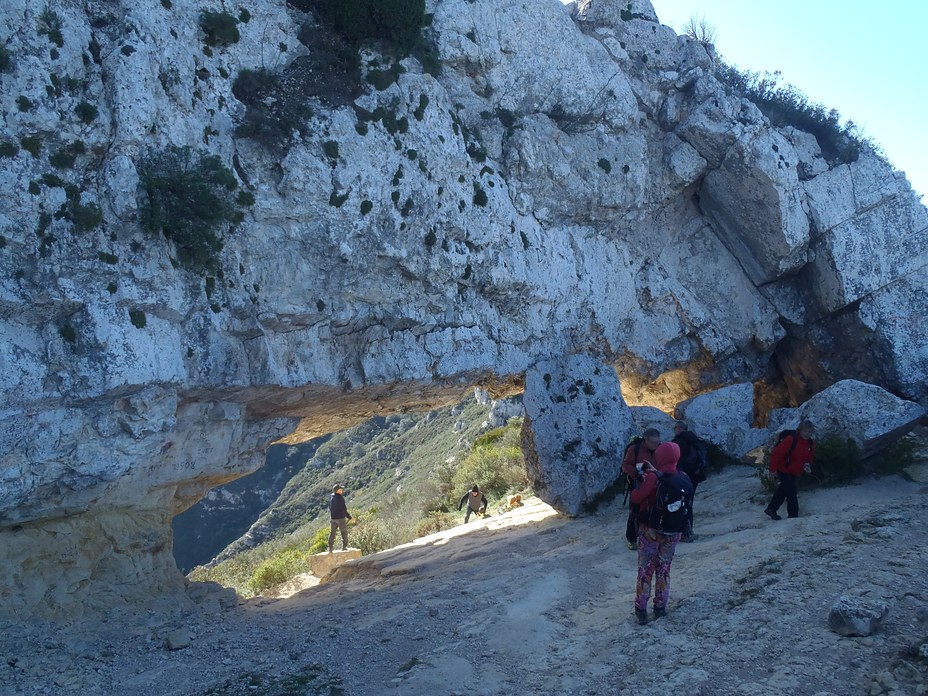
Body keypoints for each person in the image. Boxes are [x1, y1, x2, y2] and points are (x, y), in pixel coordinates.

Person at [630, 441, 684, 625]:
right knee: (664, 569)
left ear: (659, 457)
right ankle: (660, 606)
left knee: (645, 570)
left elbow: (636, 497)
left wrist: (643, 478)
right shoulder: (683, 477)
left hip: (651, 530)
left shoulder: (654, 478)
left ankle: (641, 610)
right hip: (673, 531)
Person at [765, 420, 816, 521]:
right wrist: (772, 470)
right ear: (800, 430)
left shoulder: (810, 443)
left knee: (783, 490)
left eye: (810, 432)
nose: (807, 434)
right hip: (783, 469)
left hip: (795, 471)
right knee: (791, 491)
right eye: (805, 431)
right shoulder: (791, 439)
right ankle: (793, 516)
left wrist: (807, 465)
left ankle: (771, 509)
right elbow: (776, 454)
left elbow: (809, 457)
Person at [620, 428, 661, 550]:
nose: (656, 445)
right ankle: (631, 538)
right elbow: (625, 465)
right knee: (635, 511)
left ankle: (652, 535)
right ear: (645, 440)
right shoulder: (635, 449)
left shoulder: (659, 448)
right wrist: (636, 473)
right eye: (653, 442)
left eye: (657, 442)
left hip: (655, 482)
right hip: (638, 483)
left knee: (655, 509)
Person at [672, 420, 707, 542]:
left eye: (675, 428)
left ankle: (683, 533)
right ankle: (688, 531)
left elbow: (676, 460)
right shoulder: (695, 439)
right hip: (695, 475)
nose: (674, 430)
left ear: (679, 428)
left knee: (682, 504)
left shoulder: (678, 441)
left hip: (683, 476)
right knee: (689, 502)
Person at [328, 484, 352, 552]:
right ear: (338, 490)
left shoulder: (331, 497)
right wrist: (349, 517)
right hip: (341, 518)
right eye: (341, 489)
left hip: (333, 518)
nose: (342, 490)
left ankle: (330, 548)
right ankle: (344, 547)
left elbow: (329, 507)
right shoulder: (340, 498)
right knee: (344, 532)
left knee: (332, 532)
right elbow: (344, 510)